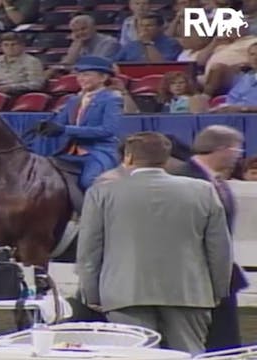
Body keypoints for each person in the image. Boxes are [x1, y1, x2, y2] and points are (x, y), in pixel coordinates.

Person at [77, 131, 232, 355]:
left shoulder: (102, 192)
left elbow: (89, 249)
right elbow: (219, 249)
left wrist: (91, 293)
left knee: (137, 355)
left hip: (125, 292)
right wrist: (218, 289)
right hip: (189, 291)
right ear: (167, 158)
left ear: (128, 157)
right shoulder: (202, 190)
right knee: (188, 353)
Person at [169, 125, 248, 351]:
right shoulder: (182, 179)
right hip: (192, 277)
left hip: (220, 275)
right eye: (236, 150)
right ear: (220, 149)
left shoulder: (218, 181)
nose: (238, 156)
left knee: (225, 343)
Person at [31, 56, 122, 191]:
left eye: (86, 75)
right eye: (79, 75)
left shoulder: (112, 99)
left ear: (103, 78)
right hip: (70, 151)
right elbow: (60, 123)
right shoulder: (73, 100)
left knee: (90, 182)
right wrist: (46, 127)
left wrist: (65, 129)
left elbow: (107, 130)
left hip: (99, 150)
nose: (81, 79)